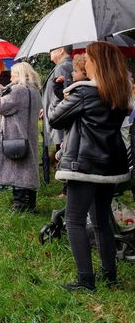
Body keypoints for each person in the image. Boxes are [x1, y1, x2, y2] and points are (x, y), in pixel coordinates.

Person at [49, 42, 132, 291]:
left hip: (83, 164)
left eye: (89, 58)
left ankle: (86, 280)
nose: (86, 60)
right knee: (101, 222)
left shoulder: (84, 92)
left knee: (74, 220)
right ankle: (110, 275)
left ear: (98, 64)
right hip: (110, 164)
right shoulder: (118, 93)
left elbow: (55, 118)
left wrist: (60, 94)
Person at [0, 62, 41, 211]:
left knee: (18, 169)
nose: (11, 76)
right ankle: (30, 203)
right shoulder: (34, 91)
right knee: (28, 168)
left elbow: (0, 107)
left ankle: (20, 204)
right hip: (28, 134)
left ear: (20, 74)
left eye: (14, 73)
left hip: (14, 134)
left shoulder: (18, 90)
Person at [41, 45, 74, 180]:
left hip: (59, 115)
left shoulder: (63, 67)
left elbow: (63, 93)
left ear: (61, 51)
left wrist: (53, 110)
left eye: (52, 50)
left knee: (63, 148)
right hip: (56, 112)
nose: (49, 53)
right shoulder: (62, 66)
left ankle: (66, 185)